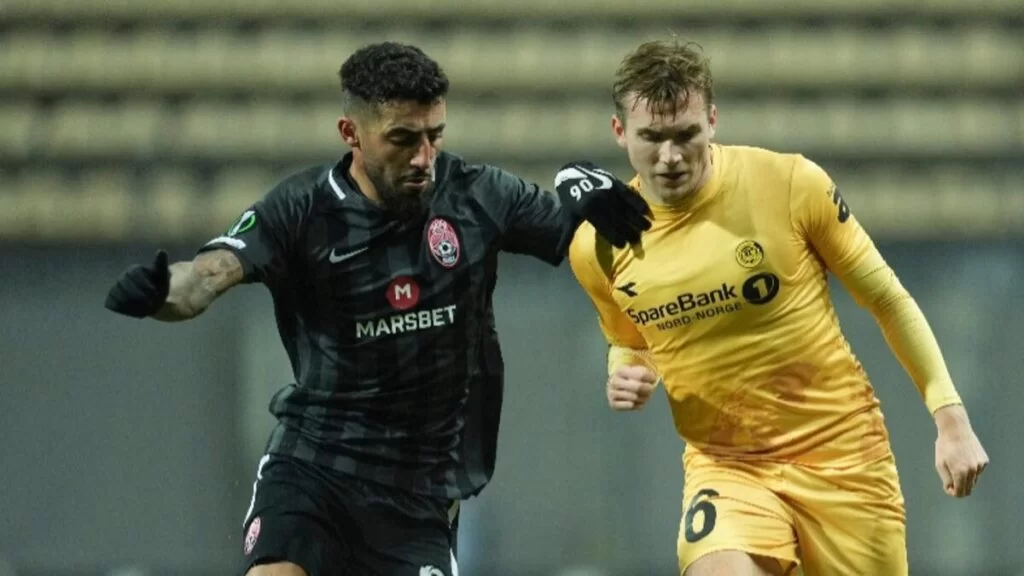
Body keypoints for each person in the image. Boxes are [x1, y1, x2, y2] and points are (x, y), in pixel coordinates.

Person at [103, 42, 650, 576]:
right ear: (351, 133)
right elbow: (206, 276)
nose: (423, 158)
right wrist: (160, 291)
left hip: (420, 493)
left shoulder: (477, 195)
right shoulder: (302, 209)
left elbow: (584, 233)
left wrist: (581, 180)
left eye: (434, 136)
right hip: (314, 467)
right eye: (403, 139)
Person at [559, 38, 990, 576]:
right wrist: (624, 369)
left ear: (712, 121)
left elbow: (887, 298)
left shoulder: (788, 184)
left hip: (841, 456)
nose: (669, 157)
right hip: (727, 466)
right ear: (620, 132)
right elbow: (627, 338)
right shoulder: (596, 247)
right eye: (652, 137)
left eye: (686, 135)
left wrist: (951, 420)